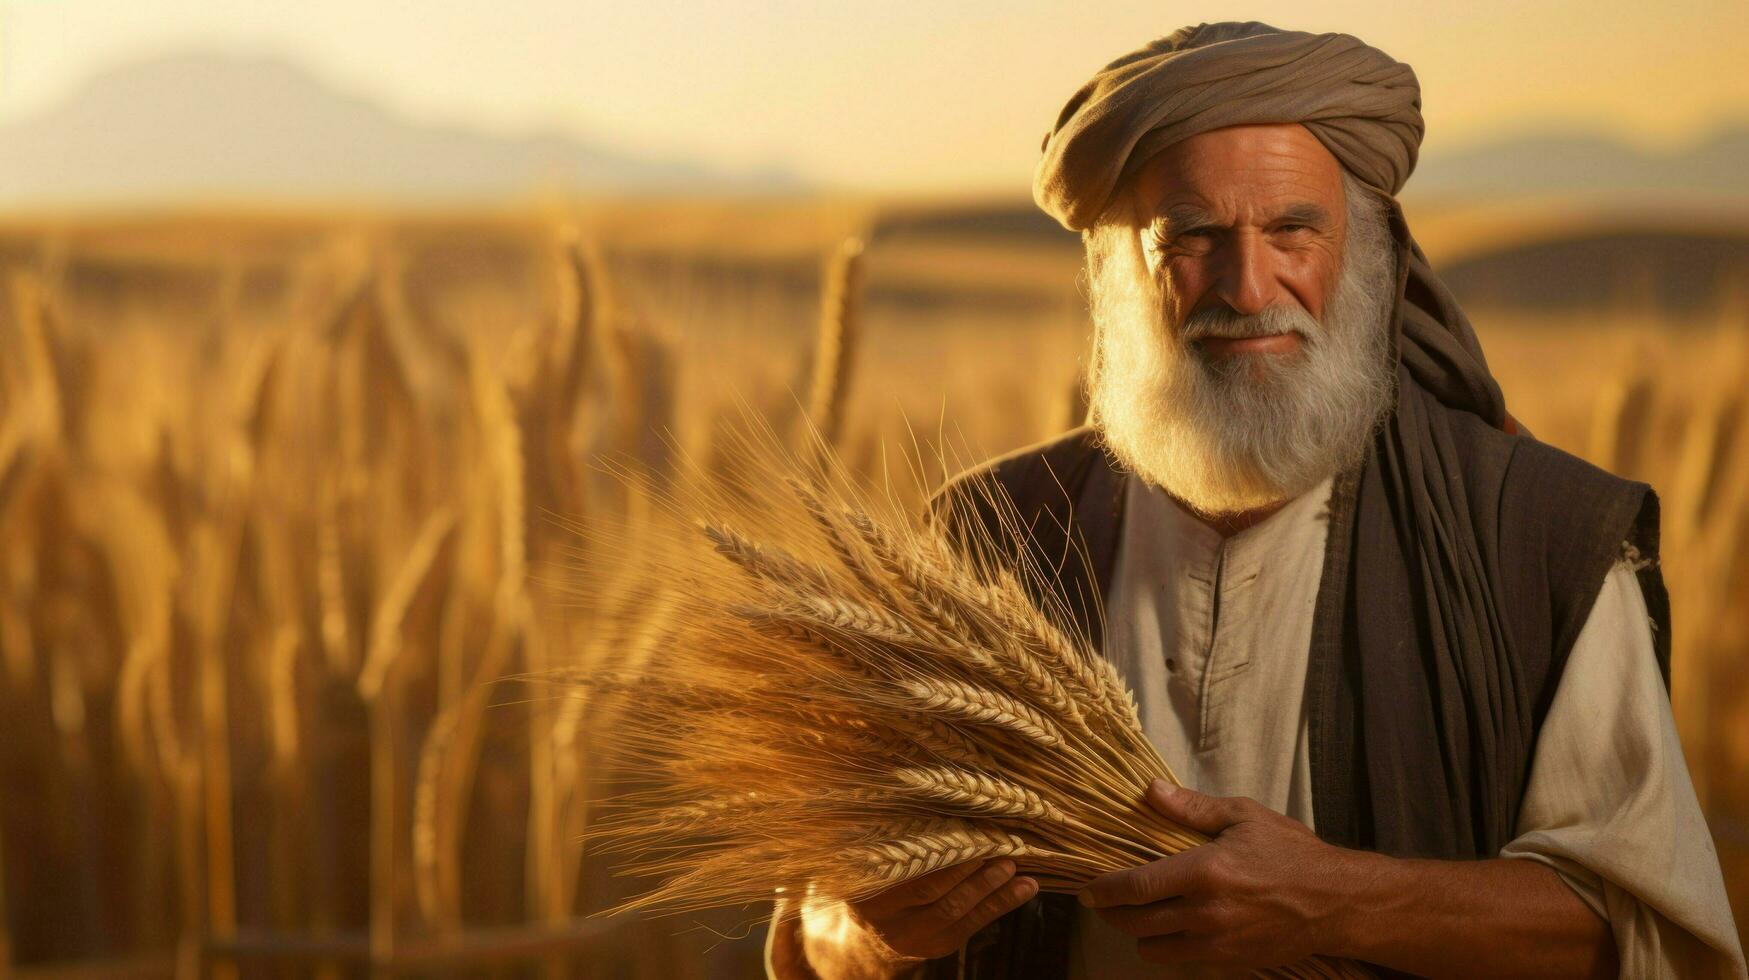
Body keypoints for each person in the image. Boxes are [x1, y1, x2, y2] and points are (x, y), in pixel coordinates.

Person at [764, 21, 1746, 979]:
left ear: (1364, 254)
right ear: (1117, 271)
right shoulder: (989, 534)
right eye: (1192, 235)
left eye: (1291, 230)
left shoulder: (1543, 540)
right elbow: (823, 924)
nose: (1247, 283)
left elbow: (1644, 933)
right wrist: (878, 932)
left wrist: (1340, 899)